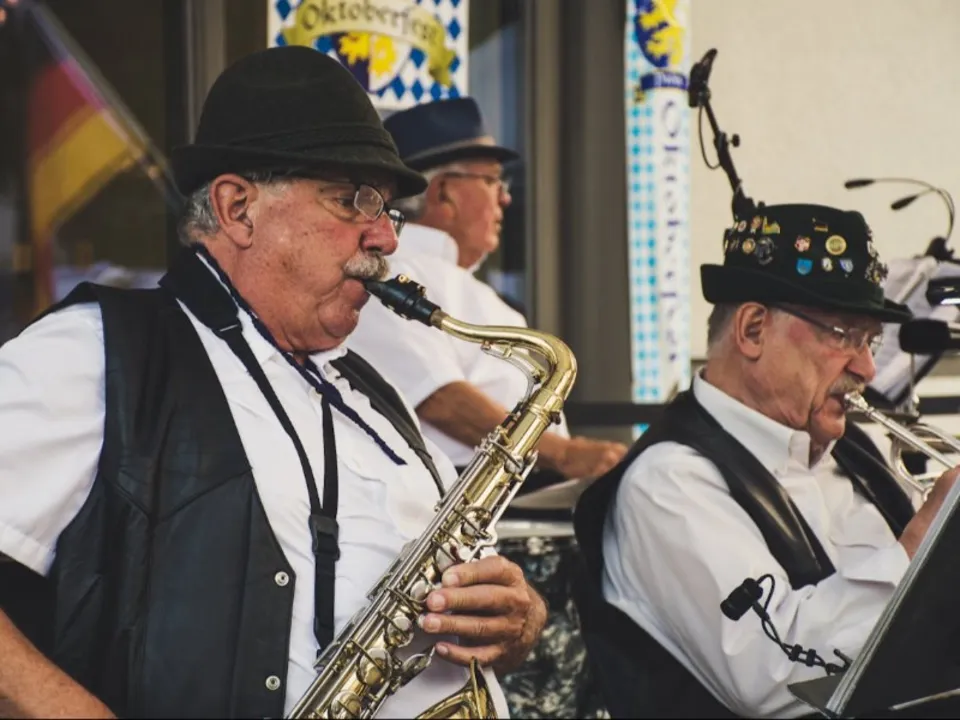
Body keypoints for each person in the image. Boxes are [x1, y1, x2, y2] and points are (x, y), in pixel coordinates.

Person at [0, 46, 547, 719]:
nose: (387, 238)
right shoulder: (101, 350)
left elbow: (491, 593)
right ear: (238, 207)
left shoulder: (370, 393)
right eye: (354, 200)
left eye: (388, 210)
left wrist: (517, 618)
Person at [573, 203, 960, 718]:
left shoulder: (857, 451)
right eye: (843, 335)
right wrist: (924, 547)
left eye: (871, 340)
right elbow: (775, 674)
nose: (866, 367)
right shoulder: (669, 483)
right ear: (753, 329)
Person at [345, 97, 626, 719]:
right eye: (494, 182)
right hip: (460, 553)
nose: (505, 201)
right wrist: (569, 453)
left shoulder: (460, 283)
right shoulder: (394, 271)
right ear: (443, 192)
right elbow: (439, 398)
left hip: (523, 541)